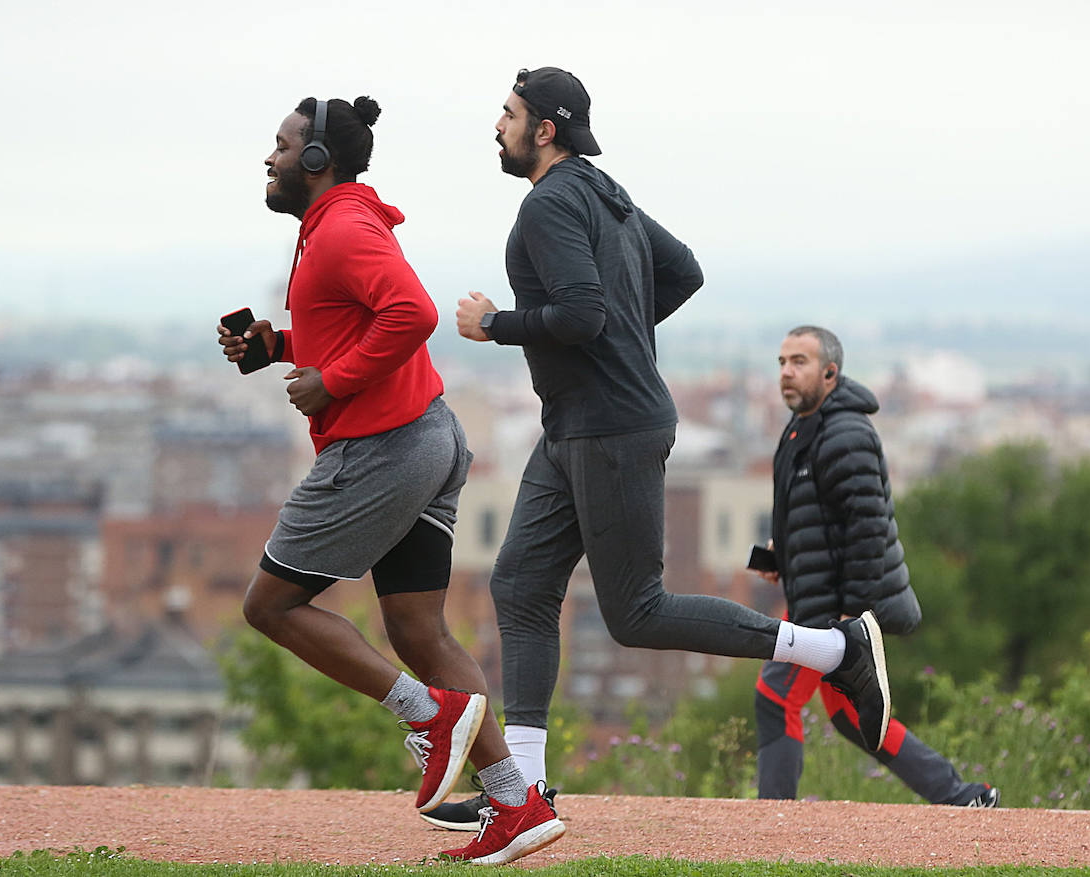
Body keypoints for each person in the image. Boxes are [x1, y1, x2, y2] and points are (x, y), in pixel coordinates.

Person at [431, 66, 893, 831]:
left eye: (509, 113)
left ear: (545, 128)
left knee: (637, 610)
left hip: (609, 427)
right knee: (518, 584)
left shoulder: (550, 205)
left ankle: (834, 648)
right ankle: (523, 794)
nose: (498, 125)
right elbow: (683, 272)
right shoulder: (605, 193)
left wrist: (496, 324)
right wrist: (627, 339)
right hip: (574, 424)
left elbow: (580, 313)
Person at [218, 95, 564, 865]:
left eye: (280, 147)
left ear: (317, 161)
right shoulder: (343, 223)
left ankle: (426, 715)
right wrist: (275, 345)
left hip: (381, 447)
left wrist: (331, 379)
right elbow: (358, 318)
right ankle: (515, 802)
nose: (268, 160)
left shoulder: (339, 227)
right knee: (418, 629)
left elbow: (410, 312)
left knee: (270, 604)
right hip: (430, 436)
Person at [752, 325, 999, 807]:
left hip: (832, 612)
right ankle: (959, 795)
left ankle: (771, 826)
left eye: (799, 362)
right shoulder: (805, 425)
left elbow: (867, 531)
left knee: (776, 698)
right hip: (818, 600)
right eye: (782, 362)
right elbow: (822, 518)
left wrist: (852, 622)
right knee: (850, 715)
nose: (786, 372)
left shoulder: (846, 434)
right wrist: (782, 556)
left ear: (830, 372)